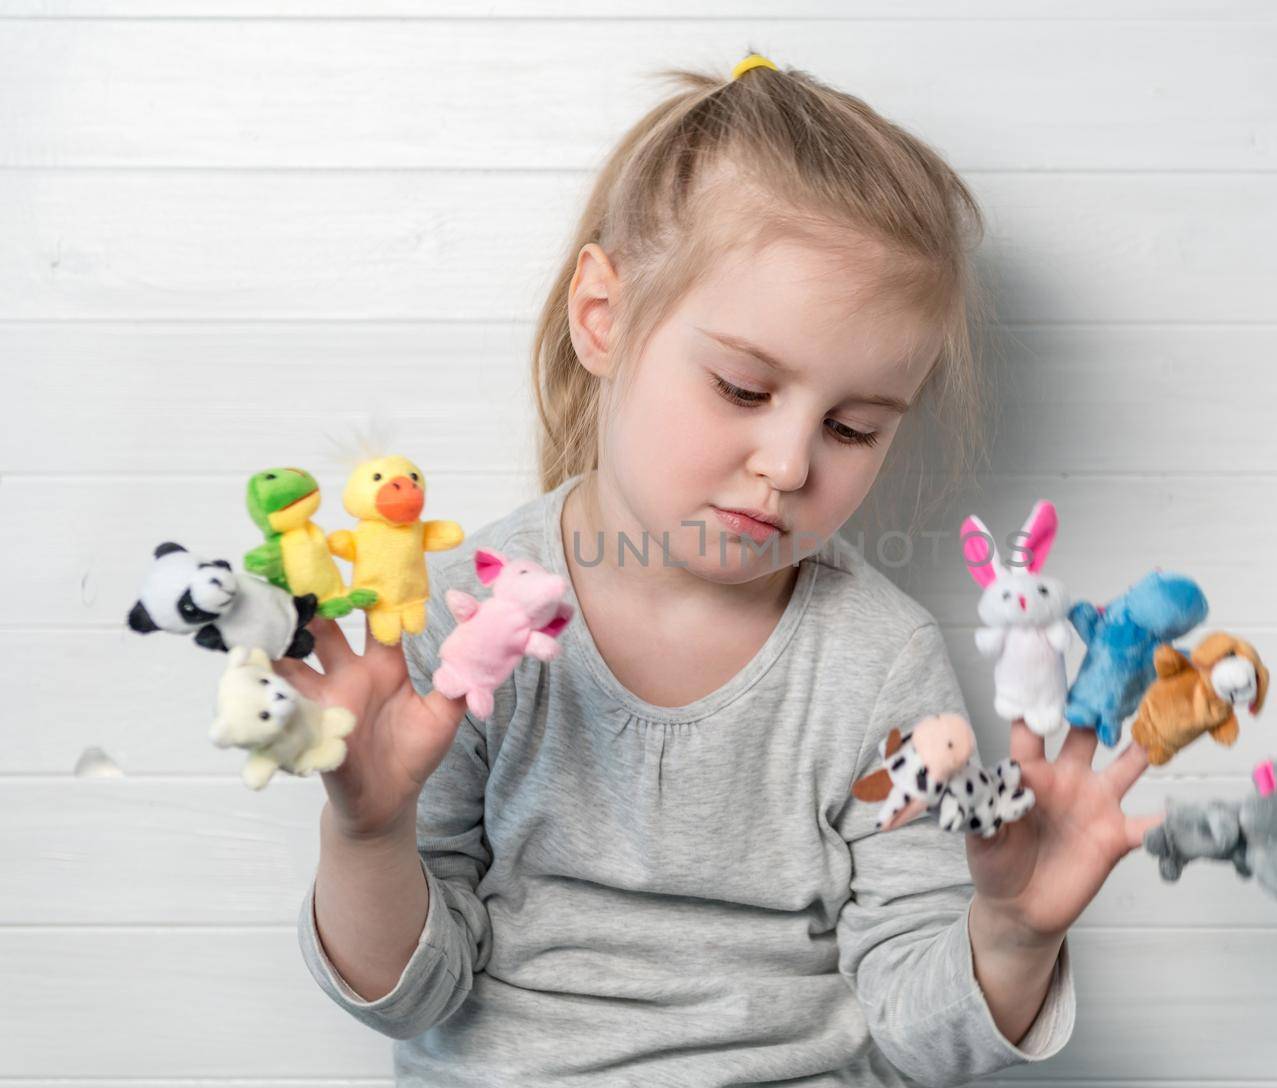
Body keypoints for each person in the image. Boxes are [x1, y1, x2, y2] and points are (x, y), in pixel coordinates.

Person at [284, 52, 1160, 1086]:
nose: (788, 465)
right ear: (602, 319)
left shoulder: (875, 661)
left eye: (852, 426)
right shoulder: (463, 621)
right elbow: (404, 989)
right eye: (744, 390)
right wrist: (369, 831)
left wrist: (1011, 935)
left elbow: (925, 1038)